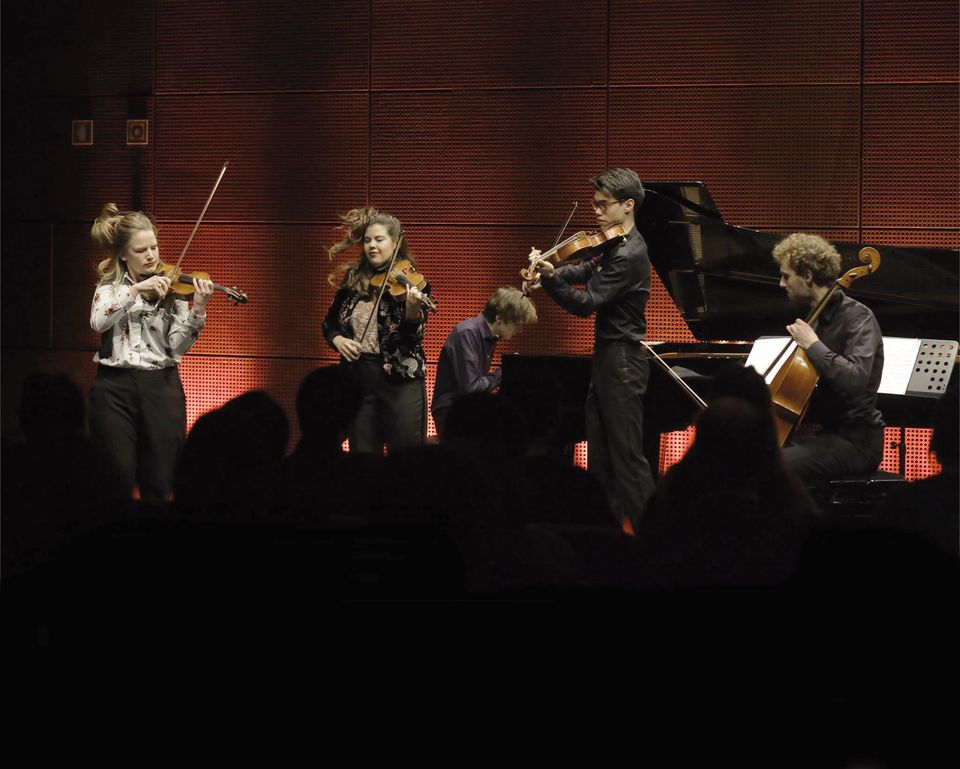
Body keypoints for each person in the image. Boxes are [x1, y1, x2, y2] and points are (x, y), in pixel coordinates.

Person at [530, 168, 654, 529]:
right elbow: (584, 268)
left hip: (623, 361)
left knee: (627, 460)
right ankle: (606, 539)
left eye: (603, 205)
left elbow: (587, 303)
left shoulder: (631, 254)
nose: (596, 212)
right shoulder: (615, 245)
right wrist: (550, 266)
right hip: (608, 358)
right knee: (600, 458)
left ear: (628, 206)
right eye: (595, 204)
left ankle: (655, 538)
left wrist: (551, 280)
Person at [88, 203, 214, 501]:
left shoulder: (171, 287)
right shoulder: (110, 288)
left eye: (154, 247)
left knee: (160, 479)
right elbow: (98, 322)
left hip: (161, 386)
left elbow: (178, 346)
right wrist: (134, 292)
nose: (151, 256)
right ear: (122, 254)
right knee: (115, 477)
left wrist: (198, 309)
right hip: (113, 389)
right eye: (141, 250)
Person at [773, 232, 885, 485]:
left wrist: (813, 344)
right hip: (826, 436)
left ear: (808, 276)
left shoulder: (858, 318)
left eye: (786, 275)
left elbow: (856, 379)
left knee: (770, 467)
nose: (781, 283)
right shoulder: (815, 318)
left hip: (856, 442)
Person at [323, 206, 432, 455]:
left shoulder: (411, 283)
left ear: (395, 243)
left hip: (400, 381)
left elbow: (410, 341)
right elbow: (329, 323)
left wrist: (412, 312)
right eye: (368, 240)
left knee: (405, 459)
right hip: (359, 378)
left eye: (379, 240)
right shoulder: (353, 279)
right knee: (363, 456)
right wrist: (337, 339)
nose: (372, 245)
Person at [431, 287, 537, 439]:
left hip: (467, 409)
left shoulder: (490, 338)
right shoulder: (467, 333)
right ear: (499, 317)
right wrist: (504, 372)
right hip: (451, 412)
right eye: (517, 323)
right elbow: (472, 389)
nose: (519, 330)